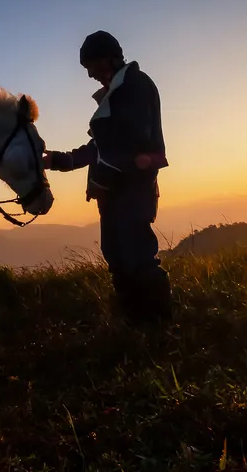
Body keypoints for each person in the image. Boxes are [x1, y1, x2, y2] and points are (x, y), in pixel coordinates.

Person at [42, 30, 173, 323]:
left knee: (139, 260)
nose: (90, 74)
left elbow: (132, 143)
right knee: (118, 258)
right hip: (115, 194)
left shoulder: (133, 86)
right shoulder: (122, 88)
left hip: (131, 192)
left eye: (91, 66)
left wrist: (107, 173)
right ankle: (135, 324)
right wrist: (59, 161)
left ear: (109, 59)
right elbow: (102, 147)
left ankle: (158, 328)